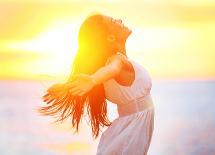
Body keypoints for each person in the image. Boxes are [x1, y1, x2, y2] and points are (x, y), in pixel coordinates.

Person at [39, 13, 155, 155]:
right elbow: (113, 69)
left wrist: (68, 89)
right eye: (114, 21)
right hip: (130, 132)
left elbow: (108, 71)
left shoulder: (110, 65)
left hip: (128, 130)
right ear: (110, 37)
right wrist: (92, 80)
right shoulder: (117, 62)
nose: (120, 20)